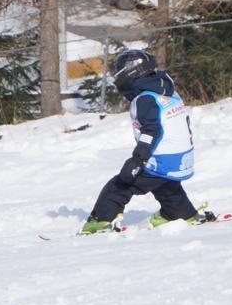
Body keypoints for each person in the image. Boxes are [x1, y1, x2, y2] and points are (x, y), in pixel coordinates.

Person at [80, 48, 216, 234]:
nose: (116, 78)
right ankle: (179, 213)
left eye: (118, 73)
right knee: (164, 183)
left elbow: (152, 131)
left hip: (162, 159)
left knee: (120, 186)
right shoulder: (166, 91)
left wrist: (137, 160)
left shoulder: (145, 99)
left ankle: (100, 221)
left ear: (129, 73)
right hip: (180, 158)